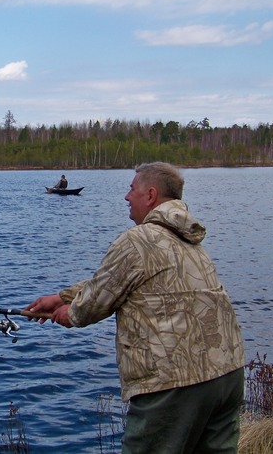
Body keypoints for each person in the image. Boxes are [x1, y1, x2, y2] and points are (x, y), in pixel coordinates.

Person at [26, 162, 245, 454]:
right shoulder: (190, 241)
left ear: (151, 195)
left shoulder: (139, 240)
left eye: (132, 189)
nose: (127, 197)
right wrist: (63, 297)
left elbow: (93, 304)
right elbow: (119, 279)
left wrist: (71, 312)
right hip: (227, 374)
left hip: (173, 382)